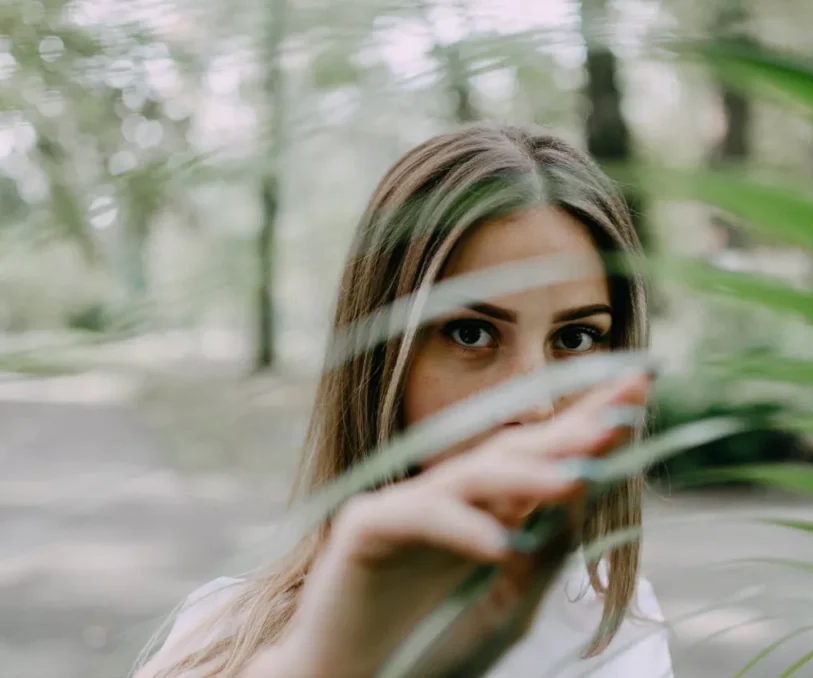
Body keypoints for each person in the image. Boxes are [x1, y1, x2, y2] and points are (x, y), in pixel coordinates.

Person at [135, 123, 674, 677]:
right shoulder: (221, 639)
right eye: (471, 333)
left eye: (577, 339)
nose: (536, 408)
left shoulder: (618, 637)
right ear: (381, 361)